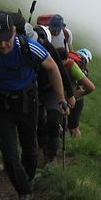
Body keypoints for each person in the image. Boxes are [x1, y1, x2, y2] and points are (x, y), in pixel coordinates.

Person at [0, 10, 70, 200]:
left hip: (28, 101)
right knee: (9, 153)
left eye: (6, 39)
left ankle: (27, 180)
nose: (3, 45)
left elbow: (52, 67)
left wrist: (61, 99)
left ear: (14, 31)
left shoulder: (29, 46)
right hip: (0, 104)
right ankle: (25, 192)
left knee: (30, 148)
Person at [26, 23, 75, 164]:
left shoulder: (48, 48)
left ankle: (51, 155)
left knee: (53, 120)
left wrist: (69, 94)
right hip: (34, 90)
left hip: (50, 89)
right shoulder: (26, 47)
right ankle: (40, 150)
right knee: (38, 121)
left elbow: (60, 70)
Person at [58, 48, 95, 137]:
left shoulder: (68, 61)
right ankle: (75, 141)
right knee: (74, 127)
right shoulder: (77, 67)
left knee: (60, 122)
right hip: (76, 99)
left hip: (63, 96)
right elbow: (90, 87)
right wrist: (79, 94)